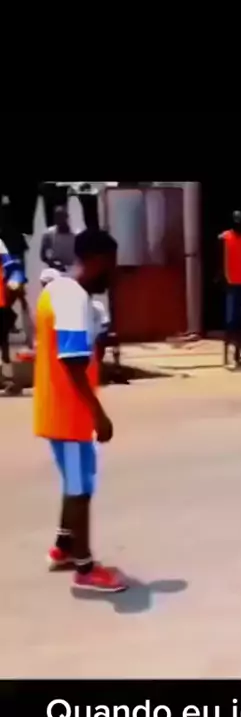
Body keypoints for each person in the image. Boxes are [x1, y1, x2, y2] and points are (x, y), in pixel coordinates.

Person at [34, 229, 127, 593]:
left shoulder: (57, 289)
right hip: (70, 413)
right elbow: (72, 362)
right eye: (111, 264)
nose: (114, 273)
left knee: (74, 482)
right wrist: (98, 414)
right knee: (80, 488)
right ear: (96, 260)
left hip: (58, 408)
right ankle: (85, 568)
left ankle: (63, 546)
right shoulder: (73, 297)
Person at [218, 210, 241, 367]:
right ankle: (226, 357)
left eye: (240, 219)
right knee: (230, 321)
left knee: (240, 320)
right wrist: (222, 278)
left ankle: (237, 354)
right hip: (230, 283)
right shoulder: (225, 237)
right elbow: (220, 260)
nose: (238, 221)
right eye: (236, 218)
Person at [0, 237, 31, 395]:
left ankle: (8, 378)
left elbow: (13, 270)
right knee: (3, 342)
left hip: (2, 307)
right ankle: (8, 378)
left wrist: (21, 297)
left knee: (3, 341)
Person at [40, 204, 76, 271]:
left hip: (72, 269)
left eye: (62, 217)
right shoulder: (48, 234)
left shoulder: (75, 235)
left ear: (67, 217)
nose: (60, 220)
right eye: (58, 217)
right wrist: (55, 265)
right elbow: (43, 256)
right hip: (54, 270)